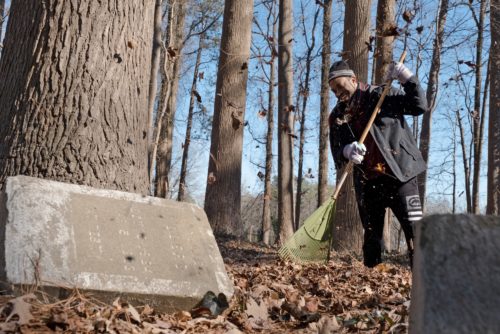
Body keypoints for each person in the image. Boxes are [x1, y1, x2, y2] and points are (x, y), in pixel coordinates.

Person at [328, 60, 428, 267]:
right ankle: (371, 283)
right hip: (368, 182)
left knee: (415, 230)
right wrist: (347, 151)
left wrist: (407, 79)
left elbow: (419, 106)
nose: (337, 93)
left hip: (401, 175)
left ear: (353, 80)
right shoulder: (337, 116)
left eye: (340, 86)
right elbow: (337, 151)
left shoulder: (381, 95)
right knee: (372, 238)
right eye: (333, 90)